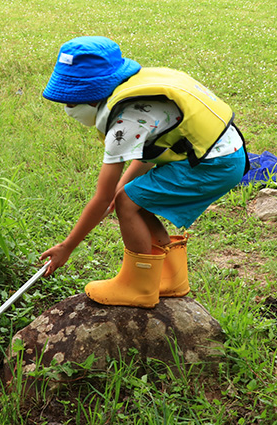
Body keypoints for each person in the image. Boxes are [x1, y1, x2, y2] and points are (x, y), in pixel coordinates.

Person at [39, 36, 248, 308]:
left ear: (91, 99)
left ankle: (139, 287)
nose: (67, 110)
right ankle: (170, 278)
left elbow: (102, 199)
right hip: (224, 153)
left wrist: (67, 246)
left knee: (128, 203)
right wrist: (121, 191)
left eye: (69, 103)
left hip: (212, 165)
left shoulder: (123, 126)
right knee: (133, 198)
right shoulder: (137, 96)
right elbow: (149, 155)